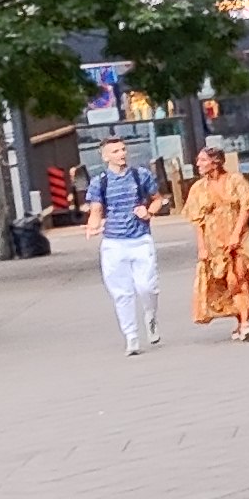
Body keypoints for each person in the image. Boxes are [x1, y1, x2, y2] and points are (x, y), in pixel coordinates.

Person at [175, 142, 249, 340]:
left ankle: (245, 323)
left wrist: (236, 234)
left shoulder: (235, 180)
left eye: (202, 160)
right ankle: (239, 319)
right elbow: (197, 221)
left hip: (239, 236)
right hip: (214, 240)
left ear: (215, 162)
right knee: (226, 279)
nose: (198, 164)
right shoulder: (198, 188)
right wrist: (201, 247)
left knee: (239, 275)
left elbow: (247, 206)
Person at [92, 129, 163, 353]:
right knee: (121, 292)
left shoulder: (140, 175)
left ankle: (150, 315)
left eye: (123, 149)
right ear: (105, 156)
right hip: (114, 243)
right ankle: (131, 336)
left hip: (140, 239)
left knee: (147, 286)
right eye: (115, 151)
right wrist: (94, 224)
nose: (121, 154)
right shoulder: (99, 182)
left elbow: (158, 199)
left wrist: (149, 211)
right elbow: (96, 209)